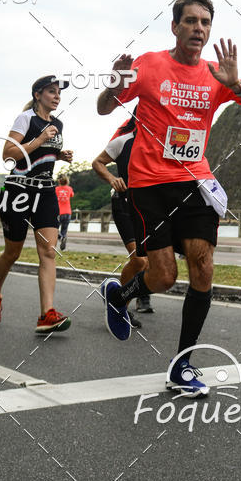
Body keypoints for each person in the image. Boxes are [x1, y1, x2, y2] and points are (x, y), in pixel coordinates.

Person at [97, 0, 241, 397]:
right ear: (175, 26)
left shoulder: (216, 73)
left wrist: (237, 85)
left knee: (204, 268)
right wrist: (116, 85)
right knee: (162, 276)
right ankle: (121, 295)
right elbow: (105, 108)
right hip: (150, 183)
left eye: (205, 23)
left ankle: (183, 364)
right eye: (190, 21)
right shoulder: (150, 64)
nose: (198, 28)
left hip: (195, 181)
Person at [0, 76, 74, 334]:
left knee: (48, 252)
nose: (57, 97)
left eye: (58, 93)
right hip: (18, 191)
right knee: (12, 253)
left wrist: (59, 155)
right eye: (51, 92)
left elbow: (43, 154)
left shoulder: (58, 123)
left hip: (46, 190)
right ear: (38, 95)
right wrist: (40, 138)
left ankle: (46, 314)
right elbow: (8, 155)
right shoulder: (25, 119)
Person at [92, 108, 152, 330]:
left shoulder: (162, 142)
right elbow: (97, 162)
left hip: (150, 207)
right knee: (139, 260)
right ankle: (119, 307)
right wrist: (112, 178)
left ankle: (117, 298)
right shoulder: (123, 141)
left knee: (150, 263)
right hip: (124, 204)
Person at [55, 174, 74, 252]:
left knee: (55, 229)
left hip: (59, 212)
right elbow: (72, 195)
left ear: (59, 181)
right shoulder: (69, 189)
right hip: (68, 212)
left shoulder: (56, 189)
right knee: (64, 229)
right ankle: (63, 247)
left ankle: (60, 237)